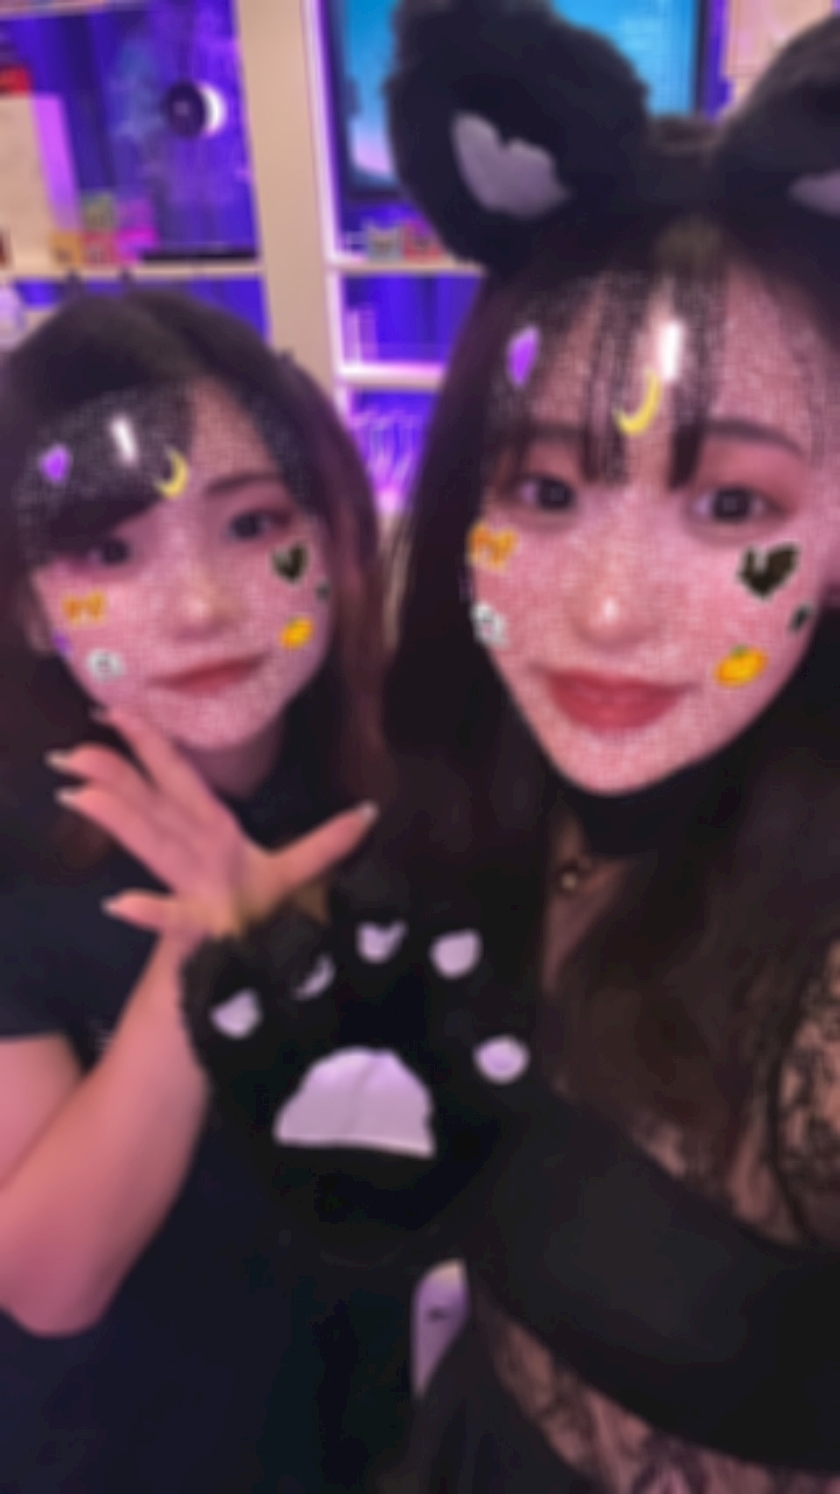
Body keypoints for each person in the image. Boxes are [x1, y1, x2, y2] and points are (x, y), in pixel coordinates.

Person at [113, 6, 840, 1492]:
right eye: (547, 491)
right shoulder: (482, 804)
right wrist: (277, 993)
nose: (611, 607)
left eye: (732, 505)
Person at [0, 286, 401, 1493]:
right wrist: (205, 951)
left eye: (252, 523)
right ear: (31, 610)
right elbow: (48, 1281)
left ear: (332, 533)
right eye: (109, 552)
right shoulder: (16, 852)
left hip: (373, 1434)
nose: (201, 605)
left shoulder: (408, 790)